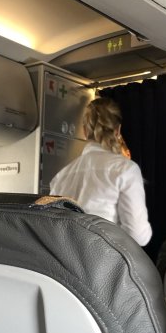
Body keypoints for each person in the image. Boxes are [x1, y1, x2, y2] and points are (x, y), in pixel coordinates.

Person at [50, 97, 151, 246]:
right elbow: (138, 236)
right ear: (118, 130)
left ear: (84, 131)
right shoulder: (125, 170)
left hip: (66, 257)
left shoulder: (60, 176)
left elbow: (54, 230)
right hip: (105, 256)